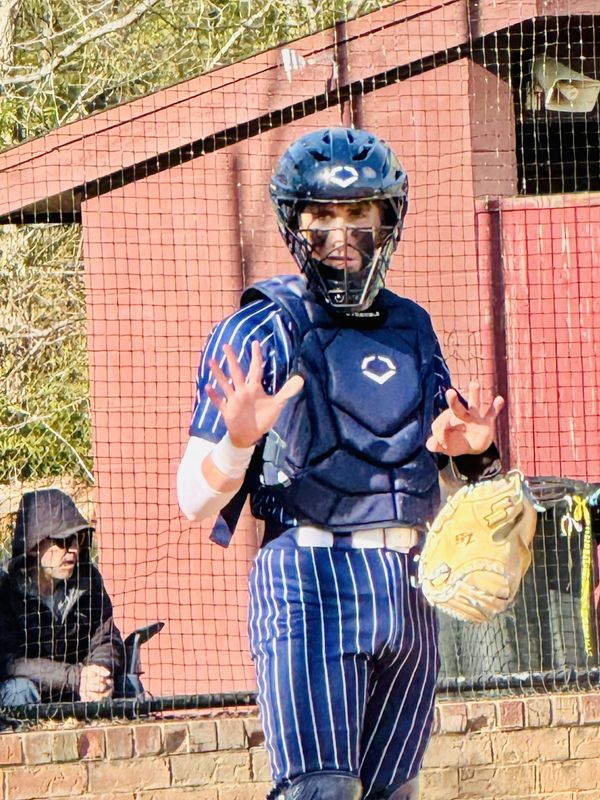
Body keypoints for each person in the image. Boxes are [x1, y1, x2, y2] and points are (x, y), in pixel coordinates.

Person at [177, 127, 504, 800]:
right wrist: (238, 441)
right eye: (321, 216)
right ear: (293, 223)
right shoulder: (260, 328)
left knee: (395, 792)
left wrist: (474, 458)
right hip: (309, 577)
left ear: (388, 220)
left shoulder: (412, 326)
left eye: (360, 215)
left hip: (407, 585)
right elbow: (194, 500)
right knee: (320, 792)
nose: (341, 233)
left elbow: (436, 468)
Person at [0, 488, 126, 705]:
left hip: (79, 689)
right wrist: (75, 677)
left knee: (126, 684)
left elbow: (106, 638)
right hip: (32, 692)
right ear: (35, 545)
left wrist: (100, 671)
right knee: (17, 691)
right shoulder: (6, 589)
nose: (74, 550)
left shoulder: (88, 580)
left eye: (79, 539)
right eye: (63, 541)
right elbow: (9, 662)